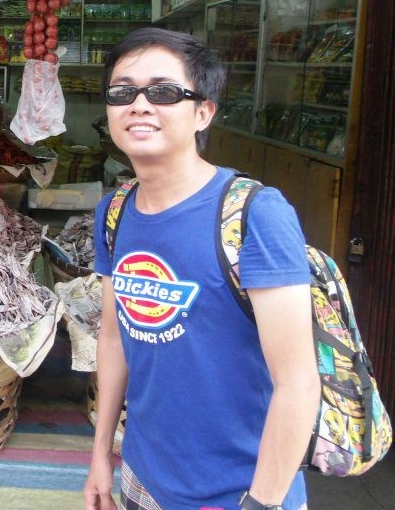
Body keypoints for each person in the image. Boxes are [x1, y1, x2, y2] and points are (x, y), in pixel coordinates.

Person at [84, 27, 321, 510]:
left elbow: (298, 381)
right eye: (122, 91)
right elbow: (113, 338)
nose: (140, 104)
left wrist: (263, 502)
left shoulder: (256, 214)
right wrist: (101, 455)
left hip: (240, 492)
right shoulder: (114, 212)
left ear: (203, 112)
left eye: (165, 91)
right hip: (143, 481)